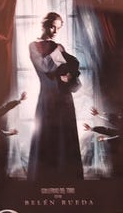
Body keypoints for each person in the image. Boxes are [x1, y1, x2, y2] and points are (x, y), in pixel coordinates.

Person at [27, 12, 83, 182]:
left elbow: (73, 66)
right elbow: (45, 67)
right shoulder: (33, 46)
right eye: (52, 26)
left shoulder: (58, 46)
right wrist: (58, 52)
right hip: (47, 100)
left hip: (64, 99)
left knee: (65, 141)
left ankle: (67, 179)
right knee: (47, 138)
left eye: (58, 28)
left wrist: (70, 76)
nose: (55, 31)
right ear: (44, 25)